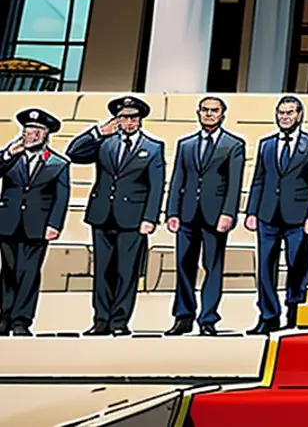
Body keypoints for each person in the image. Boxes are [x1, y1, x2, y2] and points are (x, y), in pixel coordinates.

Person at [66, 95, 165, 336]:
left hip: (133, 217)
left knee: (126, 271)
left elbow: (156, 185)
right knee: (102, 271)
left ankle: (120, 320)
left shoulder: (152, 147)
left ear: (140, 120)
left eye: (132, 117)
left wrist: (150, 218)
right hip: (102, 214)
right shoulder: (104, 143)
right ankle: (101, 319)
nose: (128, 122)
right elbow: (74, 153)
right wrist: (98, 132)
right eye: (123, 117)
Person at [163, 96, 245, 336]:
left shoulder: (233, 144)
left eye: (214, 110)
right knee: (184, 265)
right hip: (187, 214)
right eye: (205, 110)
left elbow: (234, 183)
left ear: (223, 114)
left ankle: (208, 318)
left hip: (215, 215)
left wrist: (229, 213)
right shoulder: (186, 144)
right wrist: (172, 212)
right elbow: (178, 178)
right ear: (198, 113)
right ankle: (183, 316)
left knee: (212, 266)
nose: (209, 114)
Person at [245, 96, 308, 335]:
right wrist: (251, 211)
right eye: (281, 113)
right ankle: (268, 315)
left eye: (289, 113)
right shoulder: (266, 144)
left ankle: (295, 309)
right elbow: (258, 179)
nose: (284, 117)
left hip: (298, 217)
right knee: (265, 266)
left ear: (299, 115)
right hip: (268, 214)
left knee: (297, 265)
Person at [0, 108, 70, 336]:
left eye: (39, 130)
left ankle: (21, 320)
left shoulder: (58, 163)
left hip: (37, 224)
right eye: (29, 129)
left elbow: (61, 197)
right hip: (8, 221)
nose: (33, 135)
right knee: (8, 271)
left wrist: (55, 224)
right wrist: (10, 153)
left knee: (29, 272)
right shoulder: (10, 157)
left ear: (47, 134)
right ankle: (4, 317)